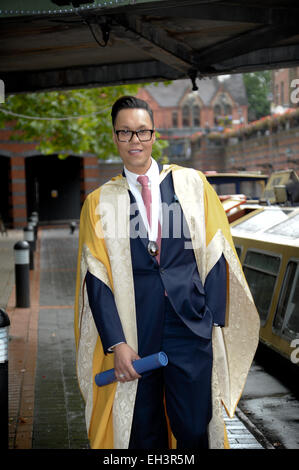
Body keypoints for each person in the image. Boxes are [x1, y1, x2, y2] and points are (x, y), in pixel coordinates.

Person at [74, 95, 260, 450]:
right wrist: (117, 343)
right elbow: (95, 277)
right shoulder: (99, 203)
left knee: (193, 428)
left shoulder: (192, 186)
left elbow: (217, 250)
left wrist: (210, 320)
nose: (135, 141)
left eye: (142, 132)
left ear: (154, 135)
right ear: (114, 137)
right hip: (134, 330)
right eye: (125, 133)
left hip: (188, 325)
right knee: (143, 432)